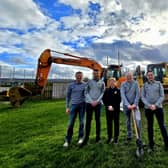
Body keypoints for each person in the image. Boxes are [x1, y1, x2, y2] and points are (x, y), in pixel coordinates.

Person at [141, 70, 168, 151]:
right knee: (150, 126)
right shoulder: (144, 86)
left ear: (154, 75)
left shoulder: (159, 84)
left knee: (162, 125)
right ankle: (151, 144)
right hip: (148, 109)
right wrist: (149, 105)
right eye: (148, 75)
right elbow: (142, 97)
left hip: (158, 108)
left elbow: (162, 96)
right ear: (147, 76)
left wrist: (155, 105)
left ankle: (167, 143)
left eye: (151, 75)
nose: (150, 76)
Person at [80, 69, 105, 146]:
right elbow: (86, 92)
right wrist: (91, 101)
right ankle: (86, 139)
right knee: (88, 121)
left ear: (99, 74)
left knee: (98, 121)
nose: (96, 75)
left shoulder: (102, 82)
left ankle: (98, 138)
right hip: (89, 104)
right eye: (94, 73)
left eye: (97, 73)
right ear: (92, 74)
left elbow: (102, 93)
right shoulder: (89, 82)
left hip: (98, 104)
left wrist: (97, 101)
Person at [63, 71, 86, 147]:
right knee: (70, 124)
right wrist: (67, 107)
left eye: (80, 76)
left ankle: (80, 138)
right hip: (73, 105)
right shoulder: (71, 85)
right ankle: (67, 140)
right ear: (75, 77)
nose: (79, 77)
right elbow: (68, 97)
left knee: (82, 123)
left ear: (82, 77)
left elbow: (87, 96)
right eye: (78, 76)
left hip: (82, 106)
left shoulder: (85, 85)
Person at [120, 72, 140, 142]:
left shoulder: (136, 83)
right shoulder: (123, 84)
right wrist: (128, 104)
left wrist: (135, 104)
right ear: (125, 77)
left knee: (138, 120)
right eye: (127, 76)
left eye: (130, 76)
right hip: (126, 106)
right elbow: (122, 95)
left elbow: (138, 94)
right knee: (128, 121)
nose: (129, 77)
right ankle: (129, 135)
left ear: (132, 76)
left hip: (135, 105)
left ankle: (139, 137)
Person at [102, 78, 121, 144]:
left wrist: (114, 107)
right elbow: (104, 99)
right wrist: (108, 106)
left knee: (116, 123)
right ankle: (109, 137)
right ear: (109, 83)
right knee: (109, 123)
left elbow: (119, 100)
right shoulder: (106, 90)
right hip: (108, 110)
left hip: (116, 110)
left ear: (115, 82)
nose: (112, 83)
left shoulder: (118, 90)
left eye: (113, 81)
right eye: (110, 82)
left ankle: (116, 137)